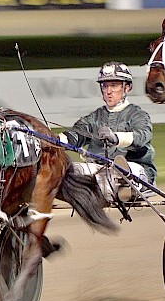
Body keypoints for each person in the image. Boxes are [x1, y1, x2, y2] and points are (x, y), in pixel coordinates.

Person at [58, 61, 157, 202]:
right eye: (105, 86)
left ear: (127, 87)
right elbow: (76, 134)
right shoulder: (93, 117)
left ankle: (124, 185)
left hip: (137, 169)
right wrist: (55, 140)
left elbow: (141, 137)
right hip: (98, 170)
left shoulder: (138, 115)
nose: (108, 91)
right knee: (67, 170)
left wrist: (115, 138)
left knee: (122, 169)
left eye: (114, 85)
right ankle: (104, 187)